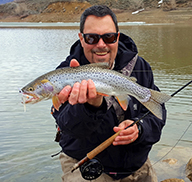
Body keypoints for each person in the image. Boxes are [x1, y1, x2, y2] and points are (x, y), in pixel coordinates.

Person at [52, 5, 167, 182]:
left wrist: (140, 129)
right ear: (81, 39)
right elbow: (69, 128)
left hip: (136, 166)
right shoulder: (64, 75)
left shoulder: (139, 66)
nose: (101, 45)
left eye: (109, 37)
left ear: (117, 37)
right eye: (91, 38)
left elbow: (157, 116)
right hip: (85, 166)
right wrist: (91, 106)